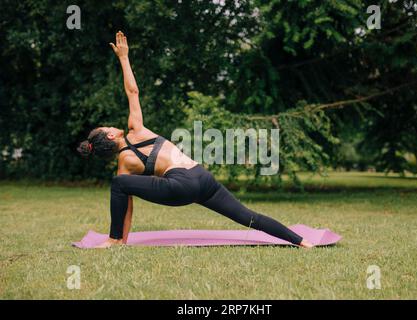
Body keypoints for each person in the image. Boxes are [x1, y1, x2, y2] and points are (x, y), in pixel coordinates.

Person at [77, 31, 313, 249]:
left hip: (181, 187)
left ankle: (114, 239)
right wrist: (124, 58)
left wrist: (119, 239)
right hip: (202, 177)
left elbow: (125, 205)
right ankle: (302, 242)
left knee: (119, 185)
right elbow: (133, 92)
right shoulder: (136, 130)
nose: (111, 125)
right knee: (247, 216)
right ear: (110, 135)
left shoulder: (124, 166)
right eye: (107, 126)